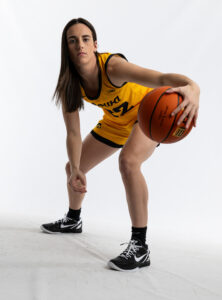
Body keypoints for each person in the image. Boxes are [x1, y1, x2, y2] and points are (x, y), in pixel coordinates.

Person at [40, 18, 200, 271]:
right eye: (72, 41)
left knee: (128, 162)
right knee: (72, 166)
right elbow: (73, 133)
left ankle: (140, 247)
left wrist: (191, 86)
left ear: (95, 45)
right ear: (66, 48)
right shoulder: (69, 83)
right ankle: (73, 220)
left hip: (146, 116)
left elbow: (159, 78)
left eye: (85, 39)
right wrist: (77, 170)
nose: (79, 45)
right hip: (116, 121)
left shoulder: (113, 68)